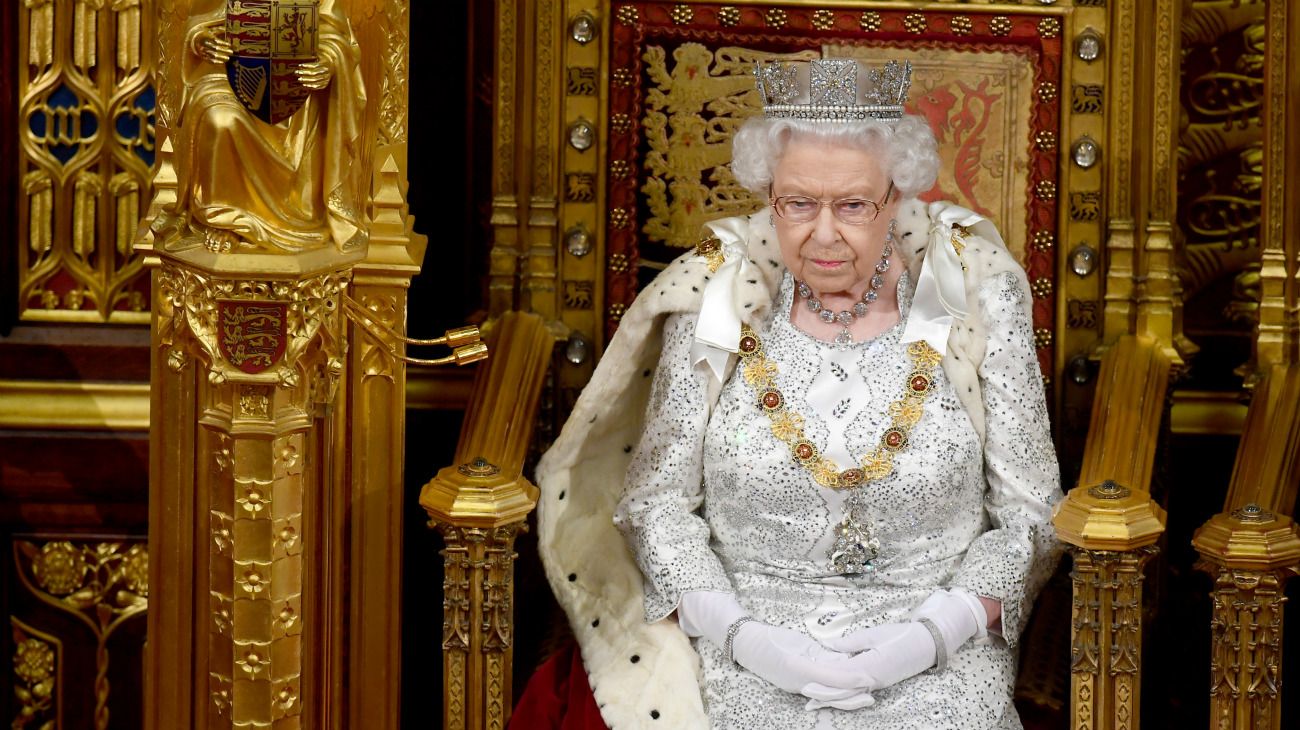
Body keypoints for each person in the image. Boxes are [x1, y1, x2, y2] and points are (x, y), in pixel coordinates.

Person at [534, 58, 1063, 729]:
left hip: (940, 655)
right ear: (769, 195)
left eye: (851, 206)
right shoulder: (717, 300)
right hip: (741, 647)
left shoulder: (975, 293)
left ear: (897, 196)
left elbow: (1031, 513)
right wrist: (744, 638)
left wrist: (932, 634)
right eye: (798, 204)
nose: (822, 233)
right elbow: (656, 502)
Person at [157, 0, 367, 254]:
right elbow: (200, 23)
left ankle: (298, 213)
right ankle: (225, 217)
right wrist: (203, 43)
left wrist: (327, 63)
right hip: (232, 78)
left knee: (312, 111)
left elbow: (338, 37)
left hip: (299, 94)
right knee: (218, 117)